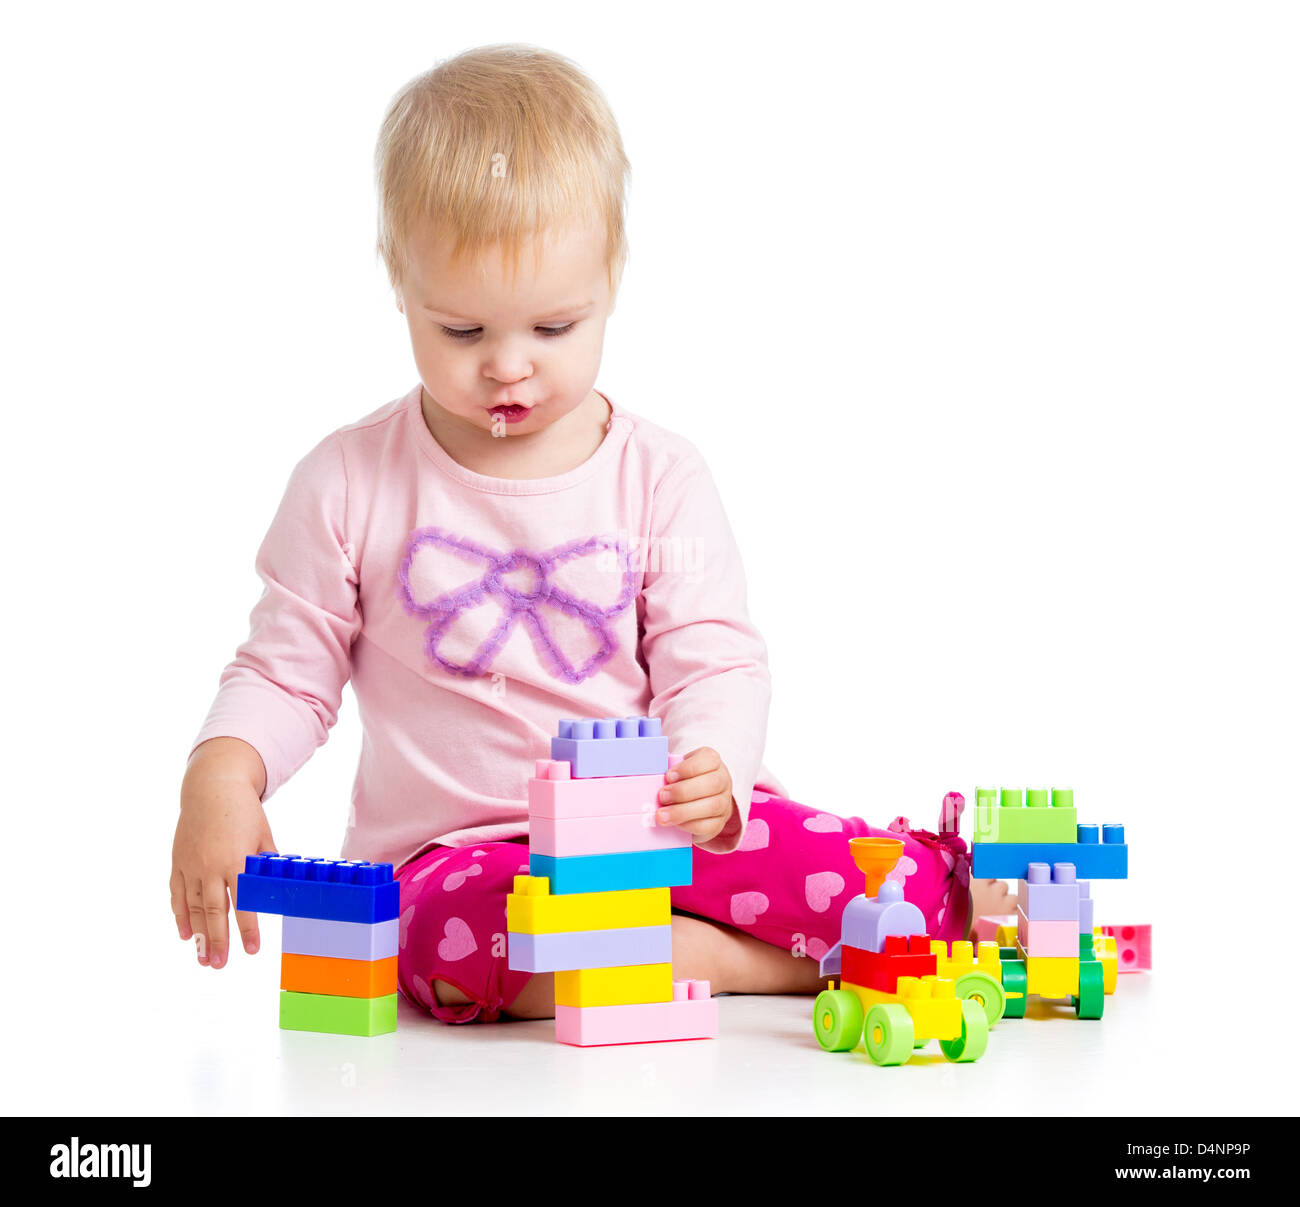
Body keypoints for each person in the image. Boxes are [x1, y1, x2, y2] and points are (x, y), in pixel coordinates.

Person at [172, 43, 1012, 1024]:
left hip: (654, 822)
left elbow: (715, 657)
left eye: (554, 328)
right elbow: (285, 668)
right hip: (468, 848)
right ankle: (745, 964)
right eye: (462, 331)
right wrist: (219, 777)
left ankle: (800, 932)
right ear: (398, 281)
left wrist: (715, 770)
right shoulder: (349, 479)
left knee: (889, 887)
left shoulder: (658, 473)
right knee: (442, 949)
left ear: (611, 279)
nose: (508, 368)